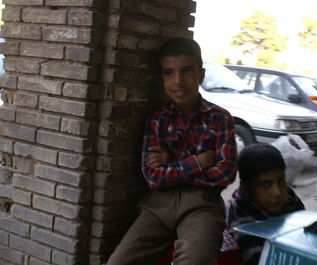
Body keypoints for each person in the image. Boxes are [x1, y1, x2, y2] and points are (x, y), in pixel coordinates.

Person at [106, 37, 238, 265]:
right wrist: (199, 161)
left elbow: (226, 173)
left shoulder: (220, 118)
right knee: (119, 260)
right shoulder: (158, 119)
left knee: (195, 259)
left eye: (187, 71)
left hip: (202, 205)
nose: (178, 81)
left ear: (201, 74)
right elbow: (154, 177)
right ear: (162, 77)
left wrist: (172, 163)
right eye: (169, 73)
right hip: (159, 205)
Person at [227, 143, 305, 265]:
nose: (277, 192)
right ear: (246, 188)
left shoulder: (288, 195)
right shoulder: (240, 210)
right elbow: (257, 259)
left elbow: (304, 229)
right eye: (266, 185)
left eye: (281, 181)